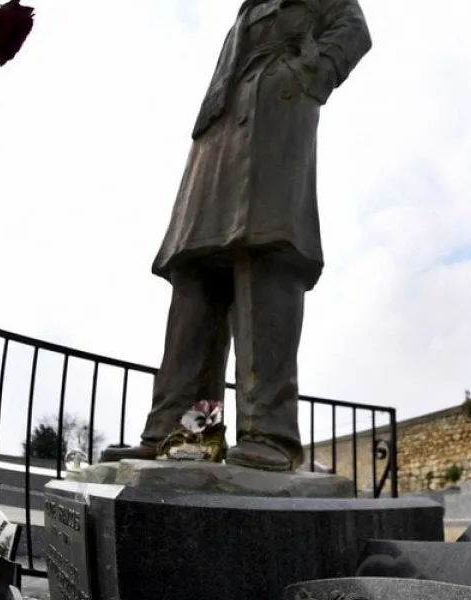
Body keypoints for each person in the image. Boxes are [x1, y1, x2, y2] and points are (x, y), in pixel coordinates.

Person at [101, 0, 371, 471]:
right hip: (219, 136)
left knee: (265, 264)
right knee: (196, 283)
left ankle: (270, 432)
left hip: (272, 119)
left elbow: (355, 31)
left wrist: (306, 76)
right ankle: (184, 433)